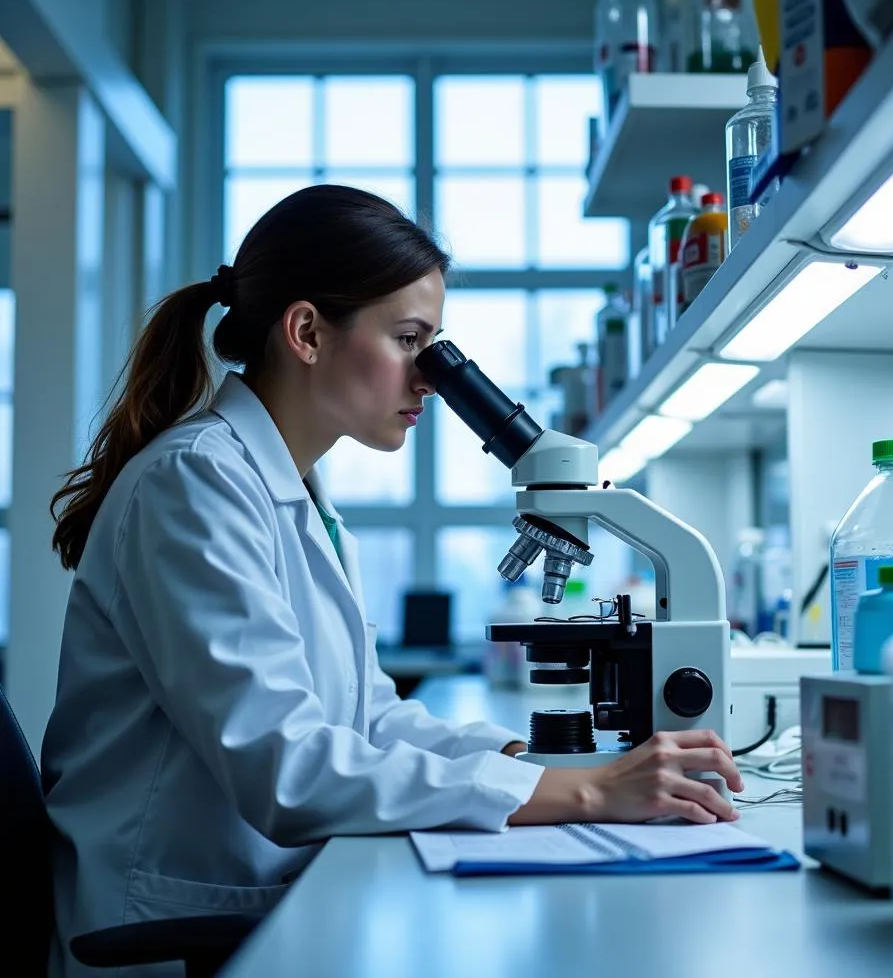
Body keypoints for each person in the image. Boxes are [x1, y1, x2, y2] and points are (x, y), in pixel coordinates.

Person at [42, 185, 743, 975]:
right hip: (170, 929)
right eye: (411, 340)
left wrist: (545, 764)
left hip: (258, 900)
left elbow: (370, 719)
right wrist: (584, 797)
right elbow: (289, 769)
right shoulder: (194, 484)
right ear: (306, 332)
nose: (432, 379)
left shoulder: (292, 490)